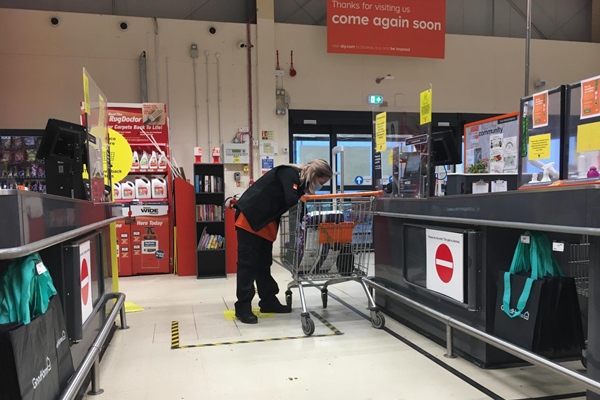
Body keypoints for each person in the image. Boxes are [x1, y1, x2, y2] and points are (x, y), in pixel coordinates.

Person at [233, 159, 333, 324]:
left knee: (263, 264)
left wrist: (310, 223)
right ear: (314, 175)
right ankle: (242, 307)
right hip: (250, 219)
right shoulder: (288, 173)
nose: (319, 186)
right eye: (320, 182)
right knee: (248, 264)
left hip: (266, 222)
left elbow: (298, 207)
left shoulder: (300, 184)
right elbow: (290, 199)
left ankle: (268, 301)